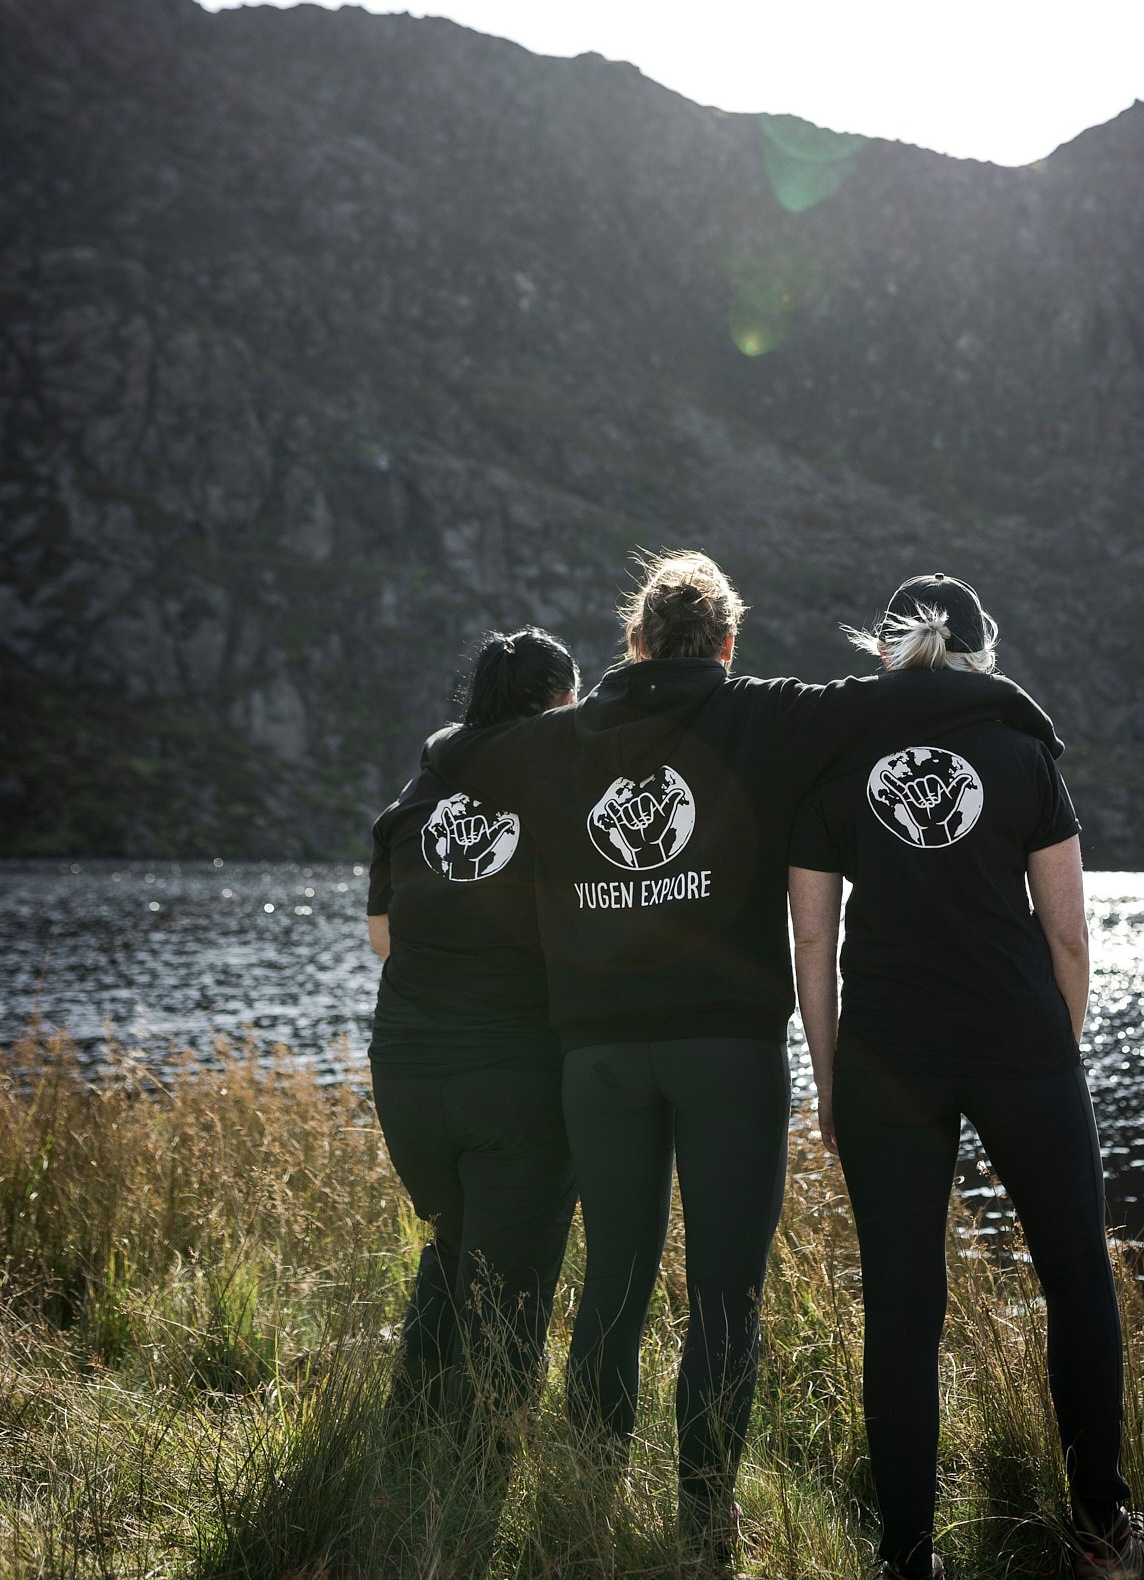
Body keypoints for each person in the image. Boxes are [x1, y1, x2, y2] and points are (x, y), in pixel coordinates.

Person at [422, 551, 1066, 1573]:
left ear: (633, 642)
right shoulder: (766, 711)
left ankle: (590, 1501)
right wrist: (1015, 705)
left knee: (614, 1288)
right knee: (726, 1296)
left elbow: (454, 766)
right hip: (727, 1050)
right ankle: (706, 1520)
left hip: (596, 1057)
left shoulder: (559, 736)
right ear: (727, 641)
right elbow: (899, 696)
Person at [787, 573, 1144, 1580]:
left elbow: (814, 934)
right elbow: (1069, 932)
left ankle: (906, 1557)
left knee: (903, 1303)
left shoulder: (836, 754)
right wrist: (1059, 1045)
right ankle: (1101, 1531)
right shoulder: (1022, 746)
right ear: (979, 646)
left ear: (887, 648)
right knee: (1078, 1280)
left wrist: (829, 1073)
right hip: (1020, 1042)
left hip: (885, 1052)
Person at [367, 626, 580, 1424]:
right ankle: (484, 1466)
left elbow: (383, 942)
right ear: (561, 701)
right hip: (515, 1080)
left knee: (455, 1248)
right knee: (513, 1290)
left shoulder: (412, 801)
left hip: (408, 1079)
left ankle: (411, 1437)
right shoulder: (561, 789)